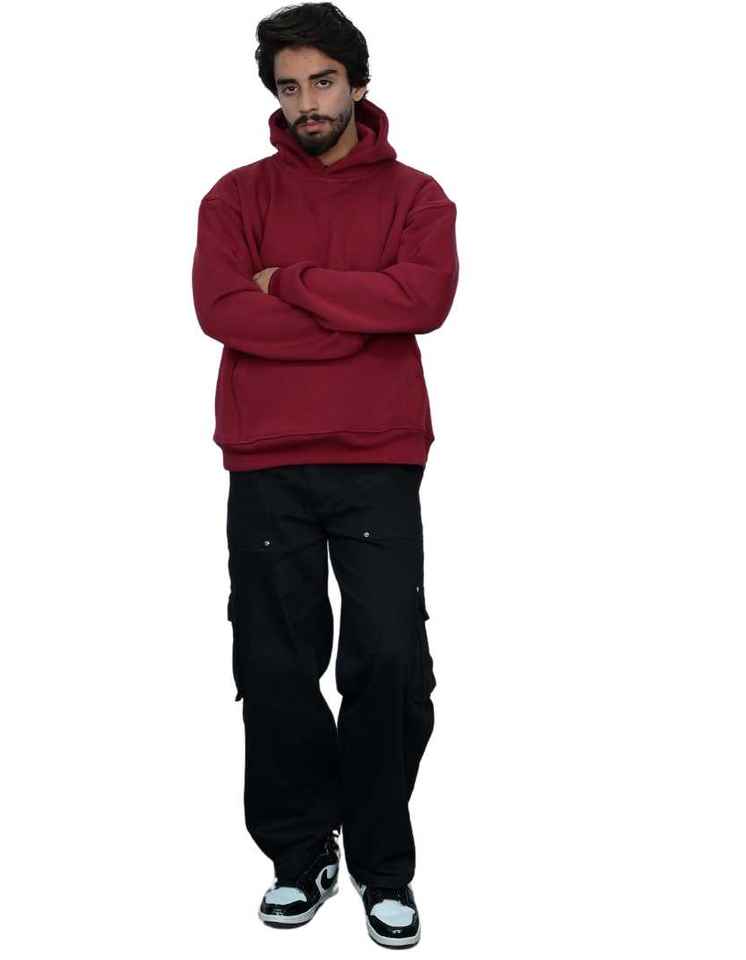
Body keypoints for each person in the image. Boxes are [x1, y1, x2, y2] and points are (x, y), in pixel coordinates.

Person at [191, 3, 459, 948]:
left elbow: (423, 298)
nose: (307, 102)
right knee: (273, 666)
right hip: (266, 458)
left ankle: (384, 863)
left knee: (388, 662)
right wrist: (358, 318)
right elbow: (222, 310)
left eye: (323, 81)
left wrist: (294, 284)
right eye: (290, 86)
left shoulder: (418, 198)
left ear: (358, 82)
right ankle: (301, 855)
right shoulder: (234, 198)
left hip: (379, 457)